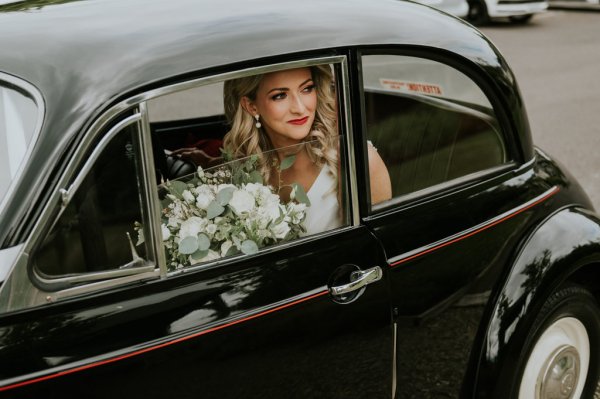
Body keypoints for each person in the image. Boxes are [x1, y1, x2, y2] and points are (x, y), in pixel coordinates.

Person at [183, 65, 392, 235]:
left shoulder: (356, 162)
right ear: (251, 106)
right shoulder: (244, 168)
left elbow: (380, 247)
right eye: (280, 96)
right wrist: (205, 163)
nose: (300, 108)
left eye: (307, 89)